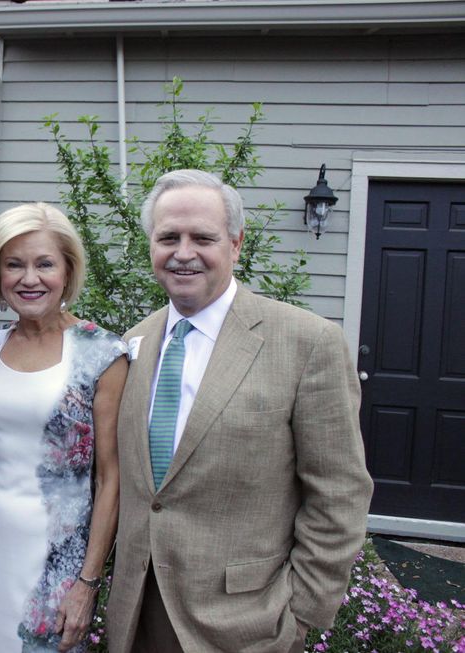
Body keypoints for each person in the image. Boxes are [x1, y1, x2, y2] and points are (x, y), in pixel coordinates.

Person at [107, 169, 373, 653]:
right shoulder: (133, 344)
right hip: (138, 614)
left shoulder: (307, 343)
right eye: (168, 237)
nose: (183, 252)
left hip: (248, 626)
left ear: (235, 244)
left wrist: (300, 616)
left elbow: (340, 493)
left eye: (202, 237)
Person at [0, 203, 127, 653]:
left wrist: (88, 582)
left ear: (67, 271)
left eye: (44, 264)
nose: (29, 278)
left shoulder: (102, 353)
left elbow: (111, 479)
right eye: (14, 264)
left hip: (56, 561)